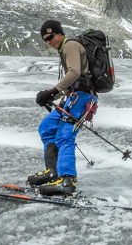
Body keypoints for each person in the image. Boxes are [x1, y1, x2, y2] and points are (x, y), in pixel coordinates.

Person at [29, 19, 94, 196]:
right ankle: (53, 172)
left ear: (59, 33)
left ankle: (67, 180)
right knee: (47, 127)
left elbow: (74, 73)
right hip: (72, 96)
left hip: (80, 98)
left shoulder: (70, 45)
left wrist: (53, 90)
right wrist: (53, 95)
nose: (49, 42)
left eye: (50, 37)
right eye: (45, 40)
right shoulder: (64, 48)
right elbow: (73, 81)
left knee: (65, 135)